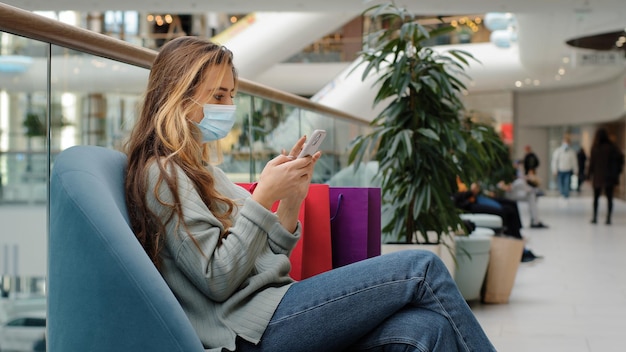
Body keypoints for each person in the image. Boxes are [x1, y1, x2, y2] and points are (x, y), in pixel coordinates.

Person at [123, 37, 495, 352]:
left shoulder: (203, 170)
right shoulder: (162, 174)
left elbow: (263, 259)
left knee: (426, 328)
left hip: (272, 306)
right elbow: (218, 279)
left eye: (231, 96)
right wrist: (262, 197)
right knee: (422, 267)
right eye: (218, 95)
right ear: (178, 96)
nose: (228, 107)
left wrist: (290, 201)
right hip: (246, 328)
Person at [453, 177, 542, 263]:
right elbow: (455, 199)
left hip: (475, 197)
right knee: (505, 211)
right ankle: (516, 246)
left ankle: (518, 239)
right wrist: (470, 192)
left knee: (512, 204)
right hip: (467, 204)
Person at [586, 128, 625, 225]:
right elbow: (621, 159)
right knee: (609, 198)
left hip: (598, 176)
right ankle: (608, 218)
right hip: (609, 177)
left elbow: (592, 163)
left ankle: (595, 217)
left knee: (596, 198)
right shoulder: (612, 148)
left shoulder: (595, 148)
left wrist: (588, 175)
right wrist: (617, 171)